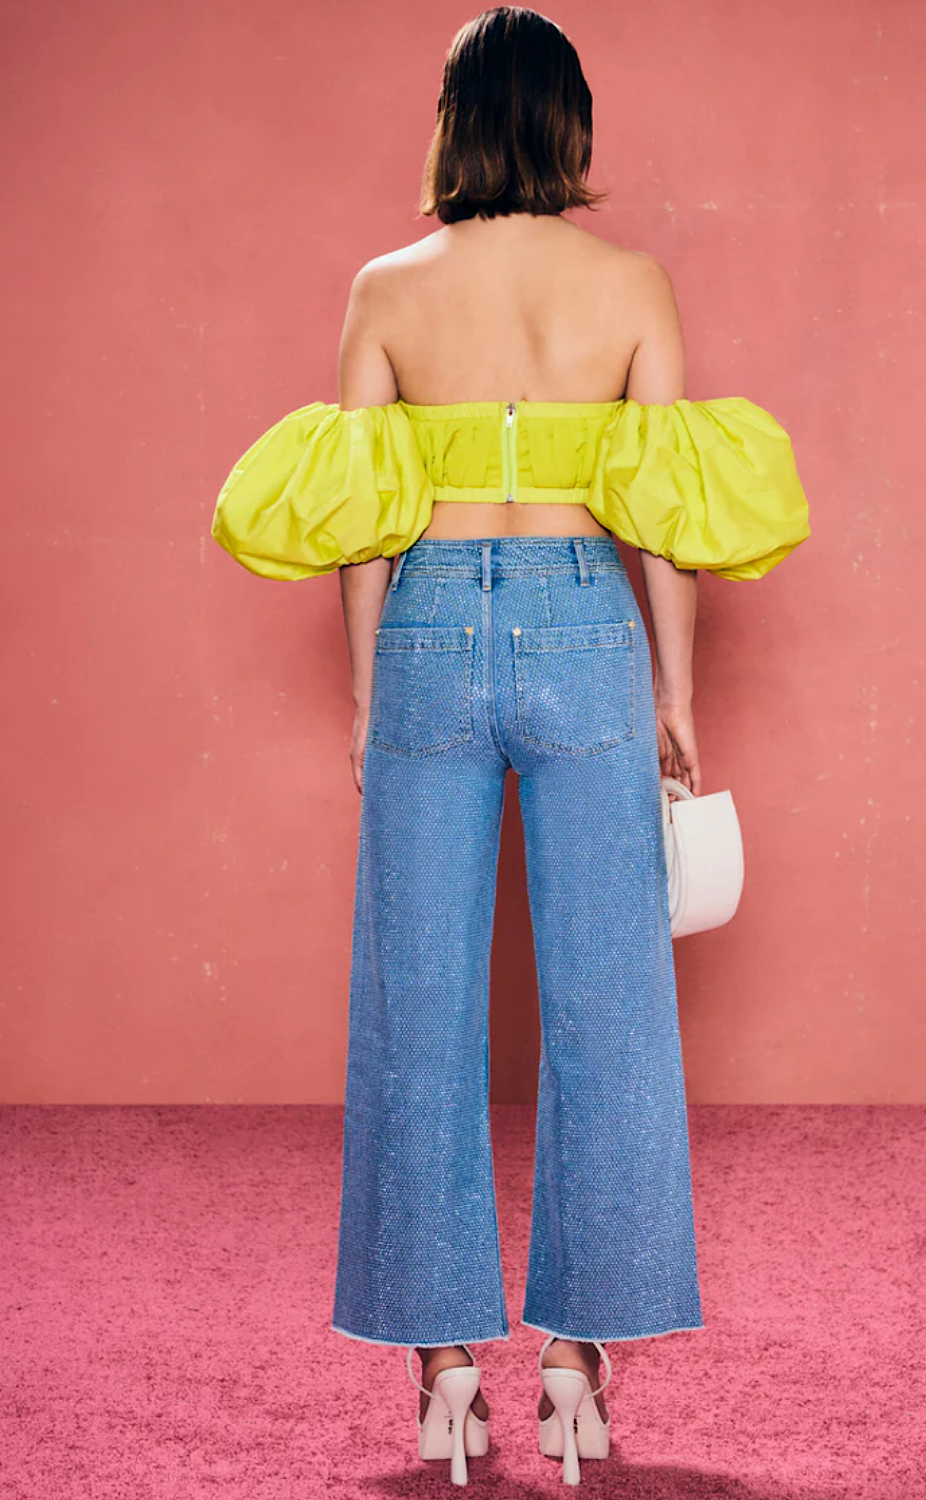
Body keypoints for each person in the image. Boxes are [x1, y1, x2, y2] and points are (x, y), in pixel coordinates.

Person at [210, 6, 810, 1485]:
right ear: (568, 125)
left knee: (415, 1006)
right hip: (586, 628)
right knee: (613, 1006)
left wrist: (371, 697)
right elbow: (665, 516)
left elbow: (364, 524)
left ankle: (442, 1376)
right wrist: (677, 693)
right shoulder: (630, 286)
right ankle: (577, 1369)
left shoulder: (388, 288)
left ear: (456, 125)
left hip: (427, 632)